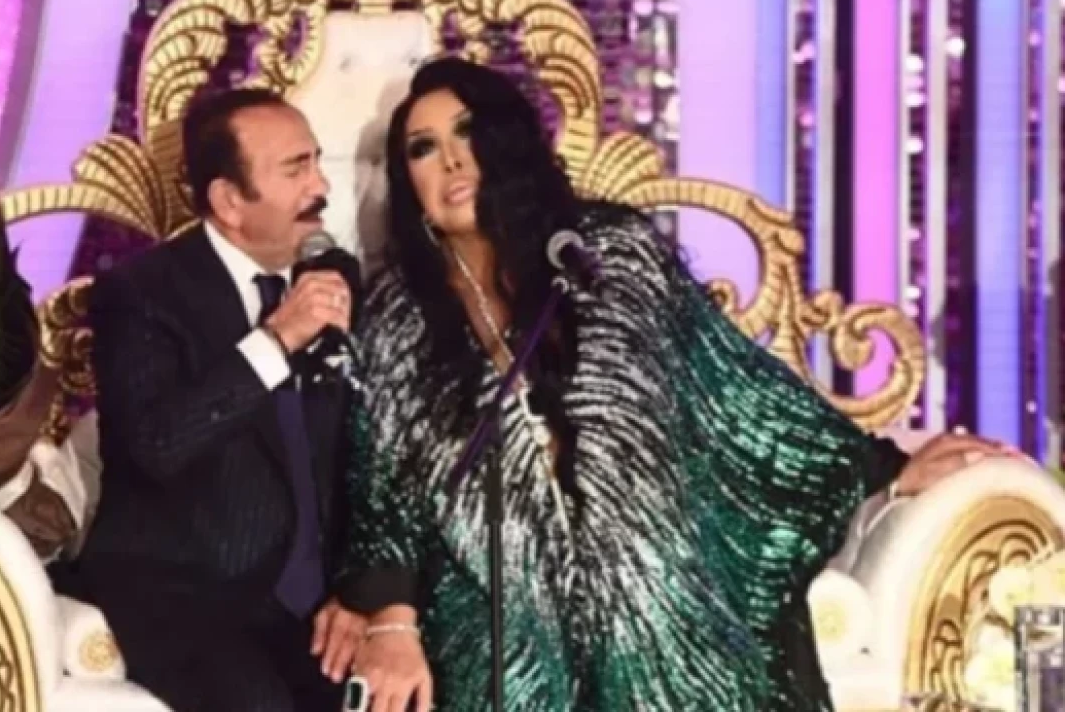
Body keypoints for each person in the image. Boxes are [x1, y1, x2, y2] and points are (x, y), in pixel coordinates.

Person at [337, 57, 1014, 712]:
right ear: (408, 181)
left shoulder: (607, 254)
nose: (452, 161)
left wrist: (883, 469)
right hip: (493, 615)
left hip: (650, 596)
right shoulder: (399, 317)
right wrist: (392, 620)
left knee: (669, 640)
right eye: (424, 148)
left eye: (467, 133)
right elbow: (381, 492)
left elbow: (735, 394)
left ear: (505, 144)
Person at [74, 85, 365, 711]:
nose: (321, 186)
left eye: (317, 161)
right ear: (230, 201)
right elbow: (156, 444)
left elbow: (362, 451)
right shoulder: (142, 293)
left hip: (308, 605)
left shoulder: (335, 277)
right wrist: (276, 341)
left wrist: (365, 592)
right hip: (184, 596)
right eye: (296, 169)